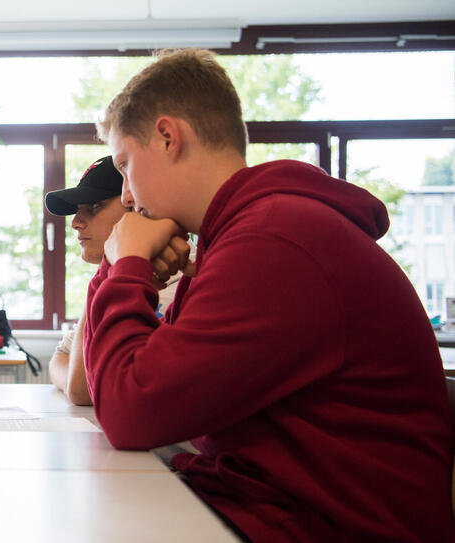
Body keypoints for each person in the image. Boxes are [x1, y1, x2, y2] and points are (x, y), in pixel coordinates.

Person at [87, 48, 455, 541]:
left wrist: (126, 264)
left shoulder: (275, 241)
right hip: (273, 510)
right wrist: (122, 267)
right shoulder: (244, 236)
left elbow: (129, 409)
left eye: (126, 165)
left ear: (168, 137)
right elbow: (126, 385)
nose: (127, 196)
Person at [43, 156, 181, 406]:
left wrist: (78, 379)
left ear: (137, 206)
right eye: (77, 210)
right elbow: (61, 358)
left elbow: (81, 388)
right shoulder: (112, 275)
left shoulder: (175, 281)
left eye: (94, 206)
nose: (75, 222)